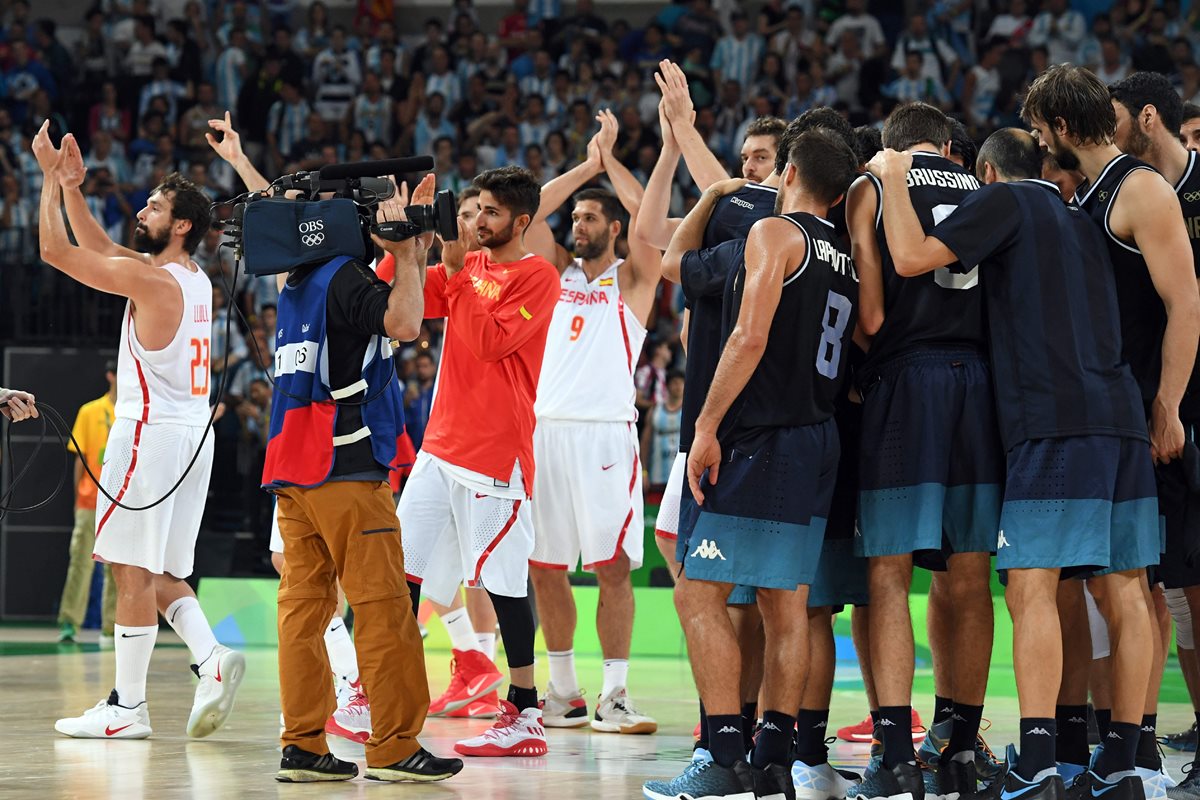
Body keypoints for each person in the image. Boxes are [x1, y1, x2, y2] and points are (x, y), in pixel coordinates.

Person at [867, 126, 1156, 800]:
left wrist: (887, 177)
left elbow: (910, 257)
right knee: (1126, 591)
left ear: (988, 175)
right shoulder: (1086, 217)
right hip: (1121, 413)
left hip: (1052, 419)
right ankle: (1129, 761)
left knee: (1029, 587)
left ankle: (1037, 763)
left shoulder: (1009, 201)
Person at [646, 128, 860, 800]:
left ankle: (723, 758)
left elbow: (751, 332)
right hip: (818, 435)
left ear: (789, 171)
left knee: (696, 592)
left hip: (761, 436)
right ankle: (771, 759)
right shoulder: (846, 255)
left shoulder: (775, 234)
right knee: (785, 603)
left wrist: (707, 425)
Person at [1024, 63, 1200, 799]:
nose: (1038, 145)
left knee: (1172, 585)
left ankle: (1140, 751)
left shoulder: (1142, 190)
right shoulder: (1091, 195)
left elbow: (1186, 303)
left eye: (1040, 132)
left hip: (1156, 417)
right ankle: (1135, 747)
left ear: (1063, 129)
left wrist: (1168, 404)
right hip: (1113, 418)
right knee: (1142, 586)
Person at [37, 125, 246, 742]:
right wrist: (75, 188)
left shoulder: (153, 282)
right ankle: (210, 660)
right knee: (160, 573)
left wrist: (49, 178)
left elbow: (60, 253)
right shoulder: (190, 279)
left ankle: (127, 708)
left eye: (154, 206)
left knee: (128, 568)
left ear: (182, 225)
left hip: (150, 434)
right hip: (191, 439)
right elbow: (99, 242)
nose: (141, 210)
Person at [846, 102, 1002, 800]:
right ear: (947, 146)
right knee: (967, 576)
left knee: (888, 573)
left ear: (892, 146)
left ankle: (892, 752)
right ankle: (959, 749)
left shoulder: (874, 185)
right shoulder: (985, 190)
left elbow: (872, 314)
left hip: (907, 383)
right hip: (980, 386)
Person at [392, 166, 560, 758]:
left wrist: (459, 270)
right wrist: (404, 243)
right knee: (402, 565)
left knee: (503, 584)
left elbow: (490, 342)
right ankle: (381, 693)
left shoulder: (539, 277)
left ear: (520, 221)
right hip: (441, 445)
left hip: (496, 452)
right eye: (474, 210)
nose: (476, 221)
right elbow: (406, 299)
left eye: (489, 212)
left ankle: (524, 713)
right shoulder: (471, 267)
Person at [524, 109, 663, 735]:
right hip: (544, 429)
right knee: (544, 566)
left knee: (611, 568)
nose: (575, 224)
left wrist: (613, 165)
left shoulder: (633, 279)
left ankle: (615, 694)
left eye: (588, 217)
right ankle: (563, 691)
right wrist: (585, 164)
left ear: (613, 227)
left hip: (606, 433)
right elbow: (527, 215)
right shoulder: (549, 273)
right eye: (574, 217)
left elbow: (653, 224)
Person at [1110, 70, 1200, 799]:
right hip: (1153, 411)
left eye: (1112, 118)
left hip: (1185, 408)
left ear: (1147, 117)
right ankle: (1149, 741)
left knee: (1193, 588)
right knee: (1167, 586)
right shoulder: (1124, 196)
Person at [57, 360, 119, 644]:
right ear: (110, 376)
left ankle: (112, 627)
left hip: (121, 502)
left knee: (117, 567)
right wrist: (77, 499)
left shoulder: (133, 413)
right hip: (89, 500)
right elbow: (79, 459)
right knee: (79, 563)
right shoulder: (90, 411)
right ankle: (69, 622)